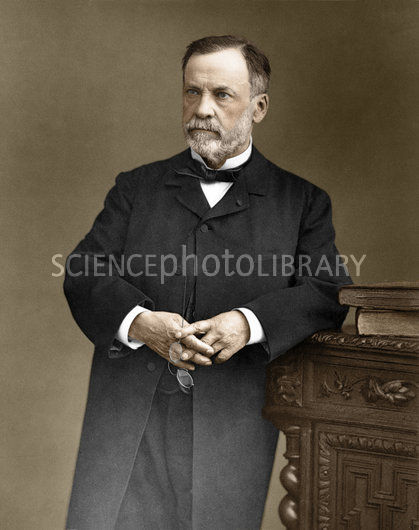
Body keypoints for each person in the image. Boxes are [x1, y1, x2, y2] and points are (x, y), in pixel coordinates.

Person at [64, 35, 351, 530]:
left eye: (222, 94)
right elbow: (83, 270)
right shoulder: (136, 187)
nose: (202, 109)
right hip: (127, 418)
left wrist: (247, 322)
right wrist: (140, 323)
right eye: (192, 92)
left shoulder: (302, 201)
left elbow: (327, 290)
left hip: (231, 421)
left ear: (258, 107)